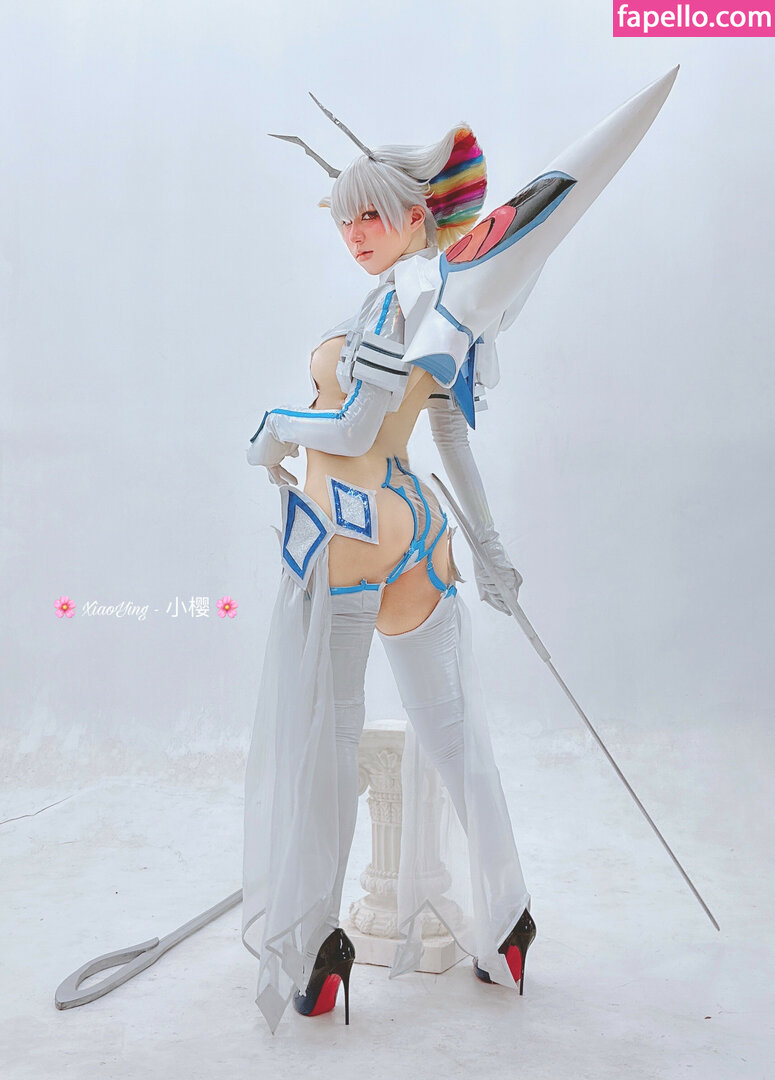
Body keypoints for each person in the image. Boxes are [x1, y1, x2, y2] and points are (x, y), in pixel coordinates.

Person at [241, 113, 535, 1036]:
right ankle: (509, 920)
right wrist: (488, 552)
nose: (354, 233)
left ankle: (316, 947)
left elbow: (357, 428)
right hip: (416, 533)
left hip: (348, 531)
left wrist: (274, 428)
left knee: (325, 748)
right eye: (343, 219)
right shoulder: (451, 299)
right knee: (453, 739)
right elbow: (447, 433)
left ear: (416, 214)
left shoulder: (393, 304)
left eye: (370, 214)